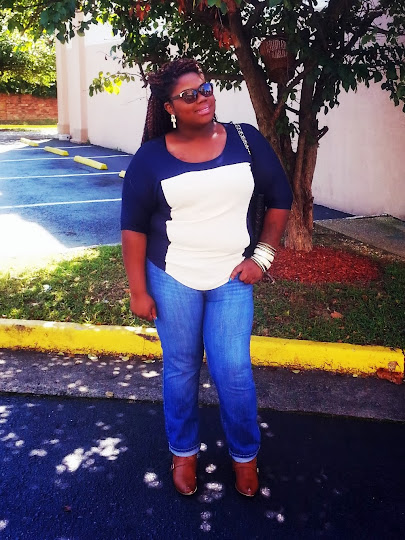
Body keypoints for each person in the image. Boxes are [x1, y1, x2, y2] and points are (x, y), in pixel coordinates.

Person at [121, 58, 292, 497]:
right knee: (181, 368)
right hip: (172, 277)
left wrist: (263, 257)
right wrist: (138, 290)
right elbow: (133, 226)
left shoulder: (244, 139)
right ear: (170, 107)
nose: (203, 98)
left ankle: (245, 457)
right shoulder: (151, 157)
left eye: (206, 88)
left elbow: (280, 196)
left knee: (232, 369)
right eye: (189, 95)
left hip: (231, 276)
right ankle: (183, 453)